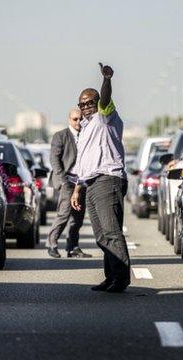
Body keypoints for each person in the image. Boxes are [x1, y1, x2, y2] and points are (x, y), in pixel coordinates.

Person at [71, 63, 130, 293]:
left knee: (111, 232)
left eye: (89, 102)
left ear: (96, 103)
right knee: (101, 235)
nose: (86, 107)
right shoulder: (85, 129)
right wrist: (77, 189)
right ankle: (111, 277)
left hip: (108, 180)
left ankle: (122, 278)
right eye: (82, 104)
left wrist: (106, 80)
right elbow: (83, 163)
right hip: (91, 183)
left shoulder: (105, 117)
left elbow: (105, 98)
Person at [46, 108, 91, 258]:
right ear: (69, 120)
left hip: (81, 181)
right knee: (64, 214)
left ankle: (72, 247)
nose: (78, 122)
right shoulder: (61, 136)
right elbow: (54, 159)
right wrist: (63, 181)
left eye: (80, 119)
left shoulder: (87, 135)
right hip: (66, 181)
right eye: (75, 119)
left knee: (78, 217)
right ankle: (51, 244)